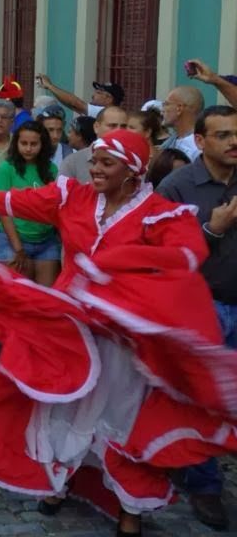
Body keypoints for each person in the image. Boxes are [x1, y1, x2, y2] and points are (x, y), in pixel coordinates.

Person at [0, 128, 237, 536]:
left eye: (107, 163)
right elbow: (5, 201)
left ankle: (129, 506)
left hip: (123, 336)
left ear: (133, 170)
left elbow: (188, 253)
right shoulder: (73, 197)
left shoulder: (159, 212)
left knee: (119, 413)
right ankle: (60, 480)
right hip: (70, 326)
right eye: (94, 161)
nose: (95, 169)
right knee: (65, 404)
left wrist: (115, 264)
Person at [157, 105, 237, 531]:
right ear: (201, 142)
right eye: (223, 135)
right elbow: (162, 257)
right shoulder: (177, 187)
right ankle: (204, 484)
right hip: (201, 309)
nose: (233, 142)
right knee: (202, 399)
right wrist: (212, 229)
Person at [0, 121, 60, 287]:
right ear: (16, 144)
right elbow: (3, 211)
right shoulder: (6, 169)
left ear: (42, 145)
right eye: (24, 143)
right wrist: (18, 248)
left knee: (46, 298)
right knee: (17, 300)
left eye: (34, 144)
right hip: (12, 241)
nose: (28, 148)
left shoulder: (52, 169)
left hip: (46, 241)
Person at [59, 106, 128, 184]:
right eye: (112, 126)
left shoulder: (131, 163)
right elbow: (60, 193)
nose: (118, 131)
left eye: (123, 127)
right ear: (96, 127)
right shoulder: (73, 162)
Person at [36, 74, 124, 118]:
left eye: (99, 93)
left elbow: (75, 103)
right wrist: (50, 88)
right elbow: (71, 105)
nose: (93, 96)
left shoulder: (106, 113)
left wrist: (50, 86)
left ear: (109, 99)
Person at [161, 85, 204, 162]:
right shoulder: (171, 141)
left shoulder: (197, 147)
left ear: (179, 108)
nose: (162, 111)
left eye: (166, 104)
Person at [34, 103, 72, 167]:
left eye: (59, 130)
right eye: (50, 130)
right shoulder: (31, 152)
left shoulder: (71, 154)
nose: (55, 136)